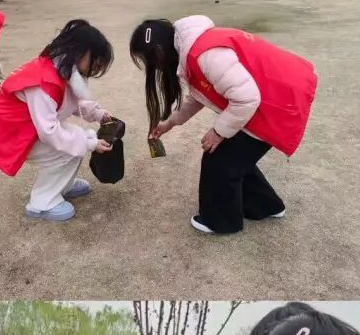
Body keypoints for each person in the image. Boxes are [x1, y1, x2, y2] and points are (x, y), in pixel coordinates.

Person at [130, 17, 317, 235]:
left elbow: (246, 99)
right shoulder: (194, 48)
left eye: (148, 60)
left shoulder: (204, 55)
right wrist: (170, 122)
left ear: (159, 53)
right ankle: (265, 206)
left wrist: (218, 132)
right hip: (272, 96)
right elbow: (200, 94)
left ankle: (220, 222)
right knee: (235, 158)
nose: (153, 68)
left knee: (219, 159)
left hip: (276, 102)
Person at [0, 19, 116, 222]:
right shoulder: (43, 81)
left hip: (27, 130)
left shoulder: (60, 67)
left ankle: (62, 185)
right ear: (80, 52)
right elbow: (50, 132)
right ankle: (42, 203)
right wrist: (89, 143)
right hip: (14, 137)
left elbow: (70, 100)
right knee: (71, 146)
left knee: (77, 141)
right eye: (96, 61)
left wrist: (97, 113)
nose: (97, 66)